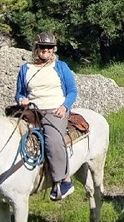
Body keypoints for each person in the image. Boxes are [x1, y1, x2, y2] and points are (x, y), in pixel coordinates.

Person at [15, 31, 78, 200]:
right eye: (43, 47)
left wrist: (64, 107)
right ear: (36, 48)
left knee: (53, 140)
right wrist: (21, 99)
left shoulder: (61, 67)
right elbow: (19, 93)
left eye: (49, 48)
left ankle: (64, 181)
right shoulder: (25, 69)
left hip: (54, 109)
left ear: (54, 50)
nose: (46, 50)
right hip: (32, 110)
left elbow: (72, 91)